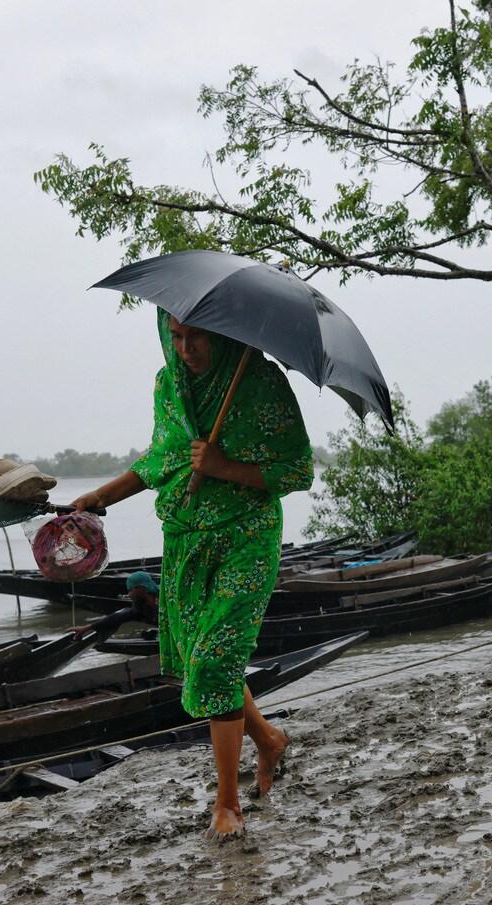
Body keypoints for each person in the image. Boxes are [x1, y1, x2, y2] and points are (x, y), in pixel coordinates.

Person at [73, 309, 313, 839]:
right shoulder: (169, 383)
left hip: (246, 537)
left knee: (215, 659)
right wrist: (99, 495)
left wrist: (225, 467)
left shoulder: (261, 381)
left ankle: (228, 804)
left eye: (198, 335)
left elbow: (297, 470)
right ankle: (269, 740)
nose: (187, 348)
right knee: (206, 654)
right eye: (177, 336)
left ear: (224, 332)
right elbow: (162, 457)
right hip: (186, 539)